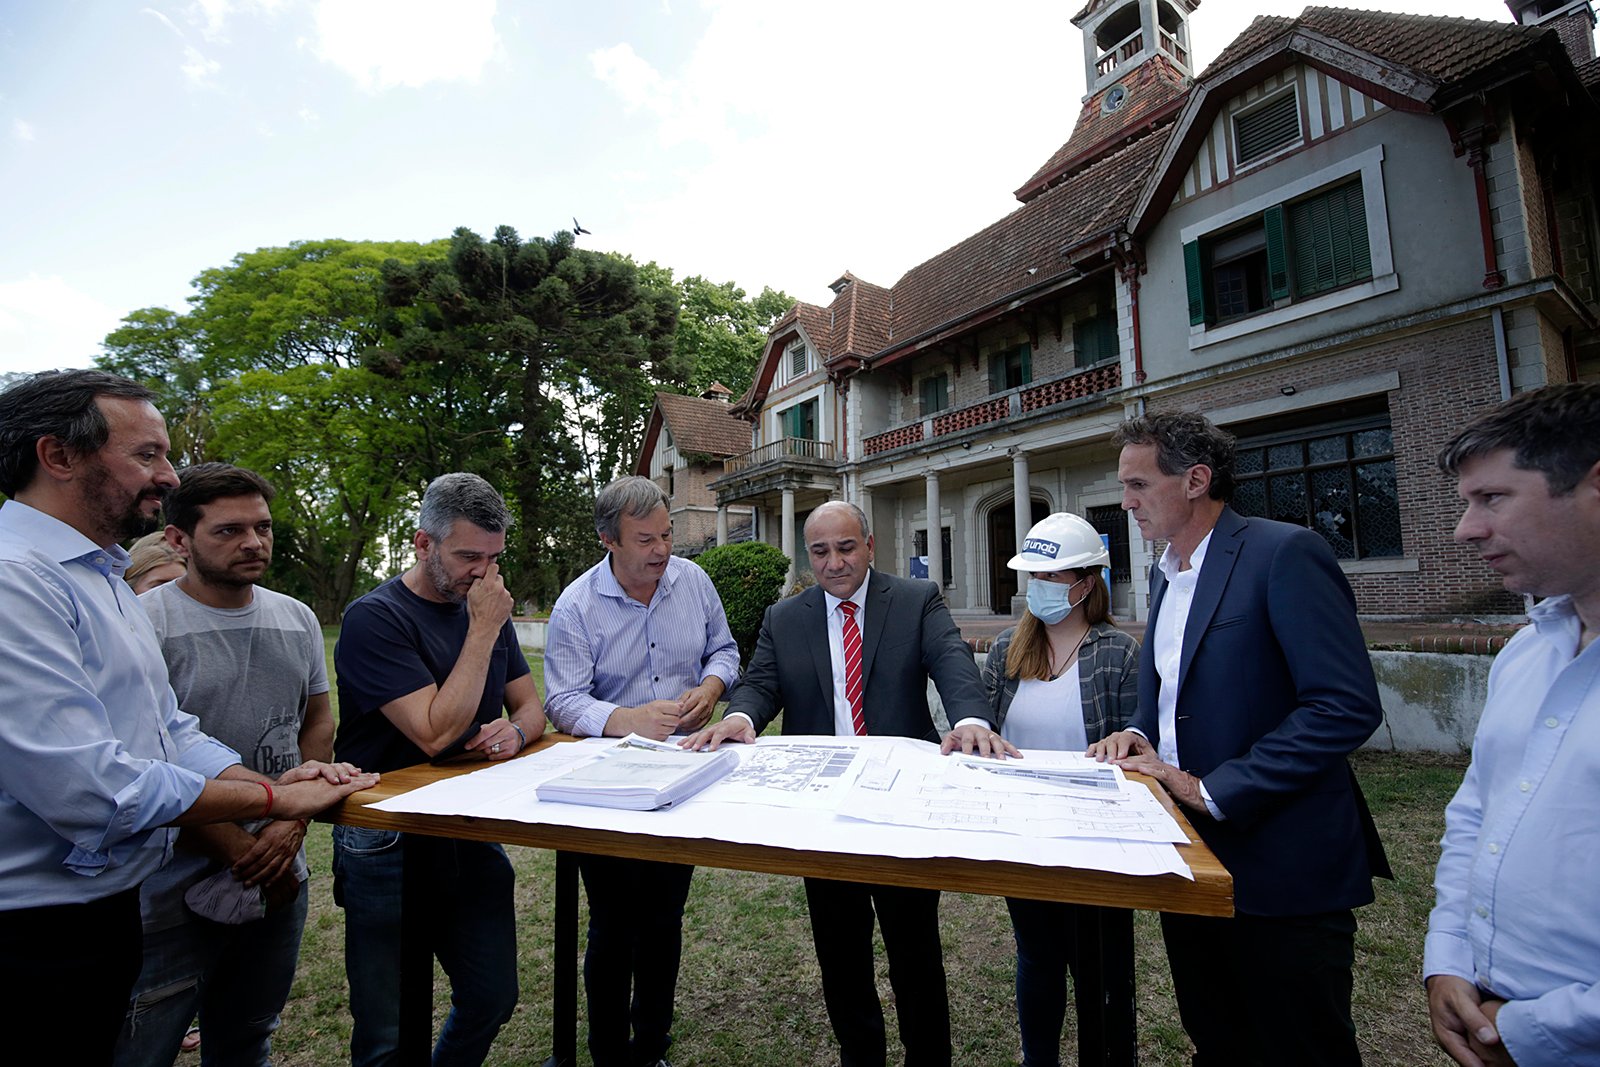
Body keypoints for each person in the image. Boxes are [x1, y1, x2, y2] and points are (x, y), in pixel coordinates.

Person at [0, 370, 375, 1061]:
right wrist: (270, 794)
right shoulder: (16, 579)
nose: (169, 475)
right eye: (147, 454)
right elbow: (97, 791)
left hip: (102, 914)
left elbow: (170, 730)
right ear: (57, 456)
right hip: (33, 935)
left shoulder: (100, 578)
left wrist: (270, 788)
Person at [1088, 411, 1389, 1067]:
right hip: (1190, 858)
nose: (1125, 501)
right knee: (1217, 1038)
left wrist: (1211, 788)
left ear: (1196, 479)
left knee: (1300, 1047)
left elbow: (1344, 704)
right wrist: (1136, 736)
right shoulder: (1167, 572)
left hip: (1283, 865)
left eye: (1138, 484)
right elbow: (1167, 696)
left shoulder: (1285, 553)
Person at [683, 499, 1013, 1067]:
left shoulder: (914, 600)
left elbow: (952, 659)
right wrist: (740, 718)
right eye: (820, 552)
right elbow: (761, 683)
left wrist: (971, 721)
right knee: (839, 950)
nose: (834, 563)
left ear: (869, 546)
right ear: (807, 556)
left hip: (899, 805)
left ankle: (927, 1057)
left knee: (914, 947)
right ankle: (861, 1055)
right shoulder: (784, 618)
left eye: (845, 548)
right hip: (824, 810)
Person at [113, 463, 334, 1067]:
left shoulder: (297, 618)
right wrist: (241, 849)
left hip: (282, 869)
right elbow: (141, 757)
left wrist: (291, 827)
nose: (253, 543)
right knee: (142, 1048)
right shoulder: (139, 623)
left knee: (247, 1037)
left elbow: (316, 724)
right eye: (229, 531)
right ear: (178, 539)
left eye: (262, 527)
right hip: (169, 883)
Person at [332, 471, 547, 1066]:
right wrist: (481, 629)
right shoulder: (375, 618)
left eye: (494, 558)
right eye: (467, 556)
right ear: (423, 544)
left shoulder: (487, 611)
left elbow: (532, 706)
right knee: (388, 1032)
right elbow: (434, 731)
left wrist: (517, 730)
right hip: (387, 837)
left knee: (492, 995)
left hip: (467, 827)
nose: (482, 573)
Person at [1424, 383, 1600, 1067]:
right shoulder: (1527, 651)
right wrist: (1448, 958)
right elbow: (1477, 811)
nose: (1466, 529)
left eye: (1492, 499)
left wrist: (1534, 1032)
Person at [544, 475, 740, 1067]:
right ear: (608, 540)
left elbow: (725, 651)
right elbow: (563, 701)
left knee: (663, 920)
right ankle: (607, 1052)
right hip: (607, 786)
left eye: (666, 535)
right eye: (645, 540)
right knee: (610, 925)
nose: (661, 551)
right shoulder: (576, 606)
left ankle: (650, 1044)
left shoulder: (694, 581)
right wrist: (624, 717)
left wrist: (711, 688)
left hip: (681, 780)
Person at [973, 512, 1138, 1067]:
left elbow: (1139, 741)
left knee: (1101, 962)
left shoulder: (1116, 653)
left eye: (1051, 579)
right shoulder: (1006, 651)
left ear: (1086, 584)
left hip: (1097, 835)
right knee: (1037, 955)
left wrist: (1127, 742)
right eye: (1033, 578)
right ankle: (1037, 1057)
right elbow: (986, 725)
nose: (1036, 590)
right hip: (1025, 833)